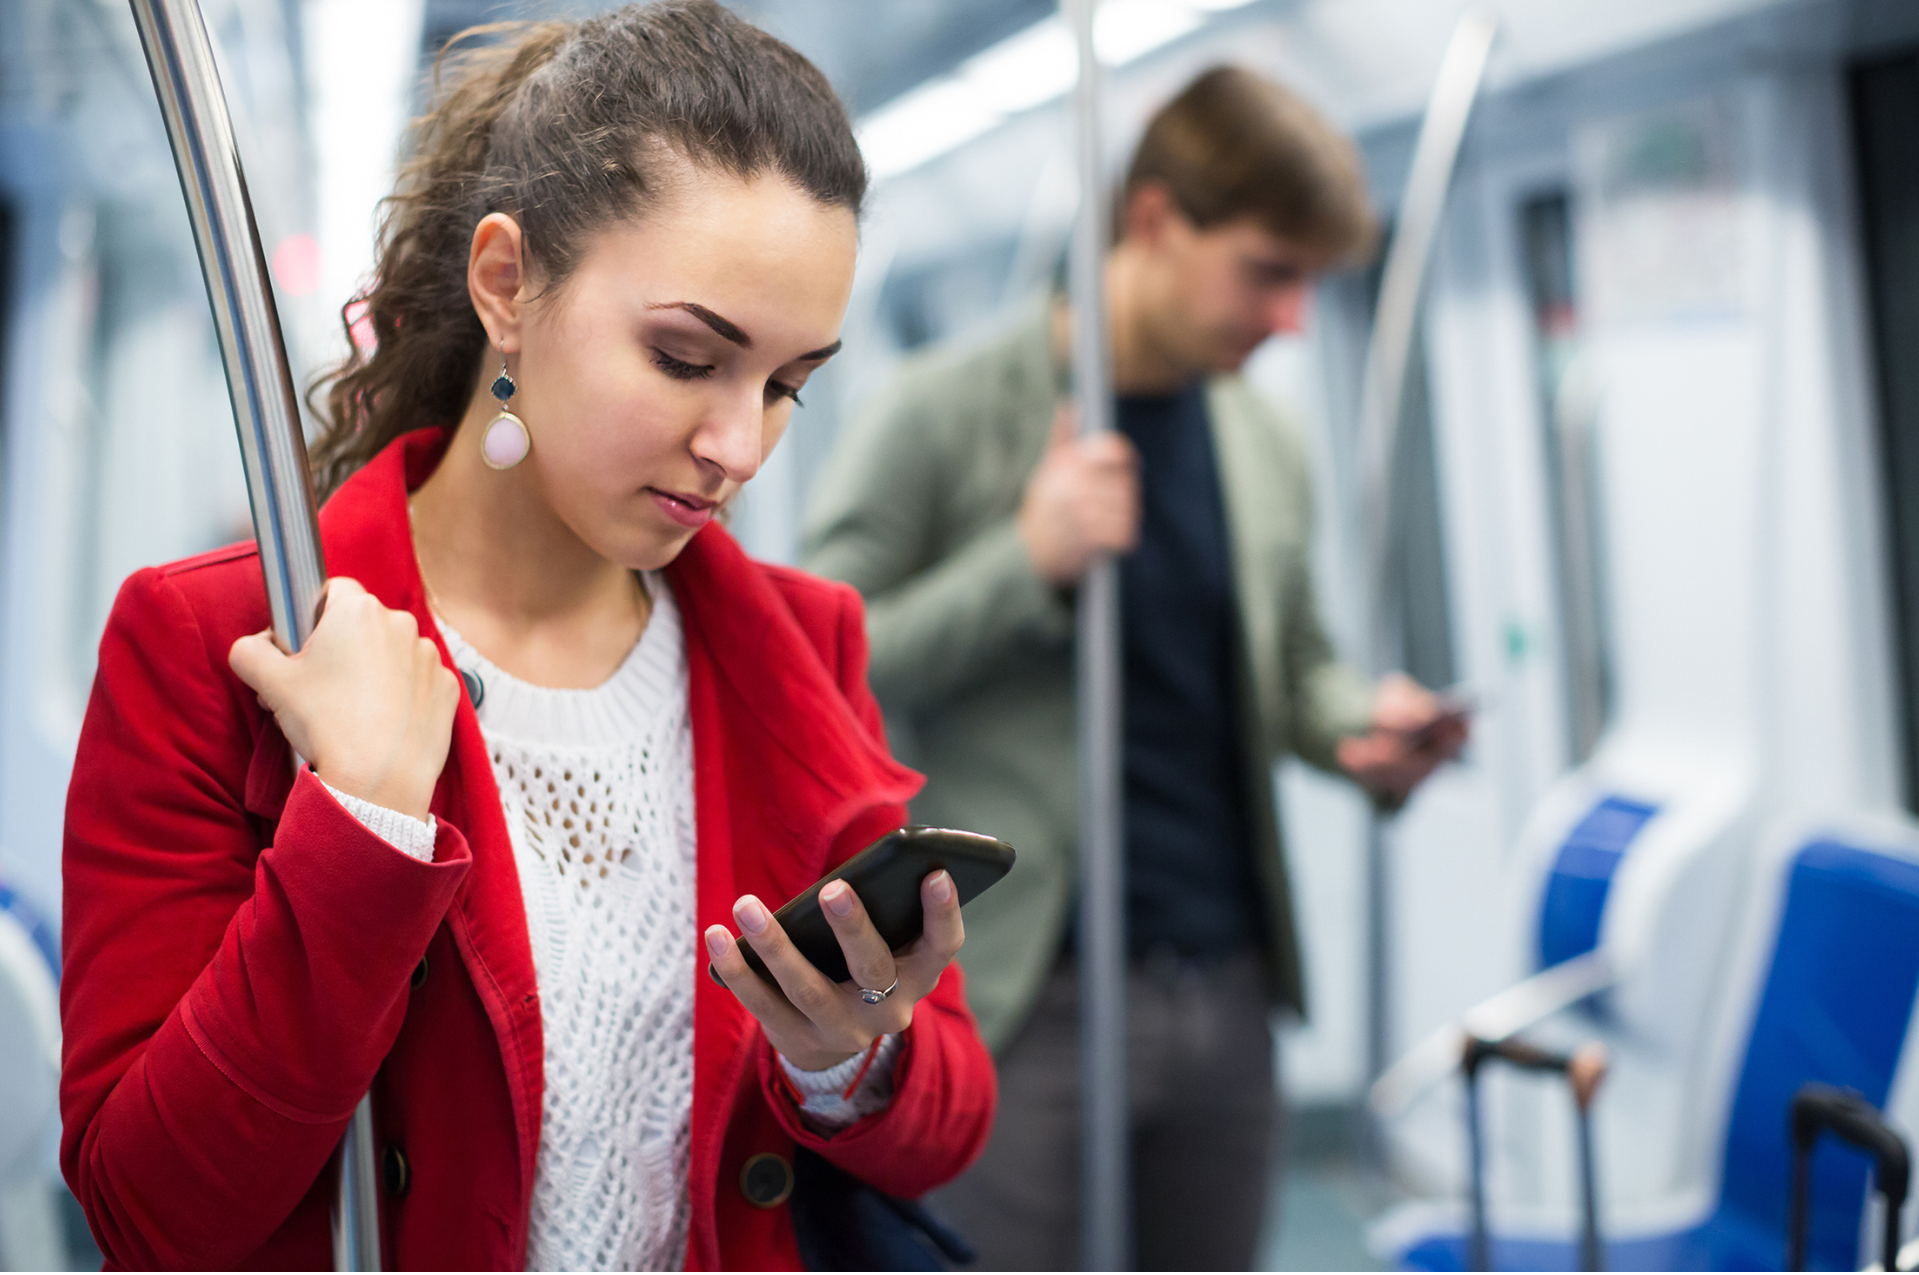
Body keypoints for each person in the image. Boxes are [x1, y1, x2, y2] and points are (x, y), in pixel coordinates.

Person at [58, 4, 994, 1268]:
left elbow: (945, 1122)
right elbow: (152, 1209)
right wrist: (360, 836)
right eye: (682, 358)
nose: (739, 448)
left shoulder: (797, 644)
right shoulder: (217, 641)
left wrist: (847, 1056)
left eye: (783, 386)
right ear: (506, 283)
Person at [803, 65, 1467, 1270]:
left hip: (1224, 978)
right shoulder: (944, 410)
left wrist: (1355, 728)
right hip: (1022, 992)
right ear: (1154, 221)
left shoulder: (1258, 437)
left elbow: (1291, 665)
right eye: (1267, 272)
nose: (1287, 319)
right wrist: (1028, 561)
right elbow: (824, 652)